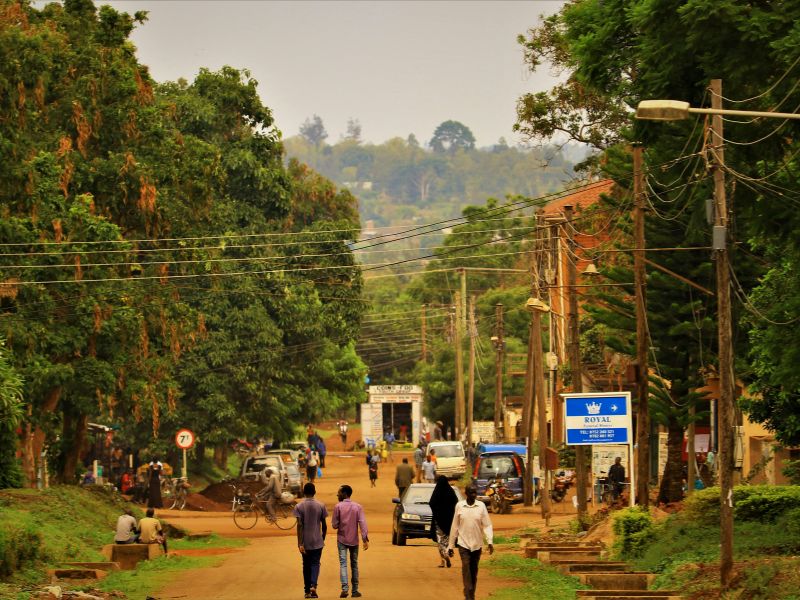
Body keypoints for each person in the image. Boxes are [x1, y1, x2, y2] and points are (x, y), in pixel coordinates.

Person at [447, 484, 494, 600]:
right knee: (466, 567)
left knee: (473, 571)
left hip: (477, 545)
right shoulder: (459, 506)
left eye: (475, 493)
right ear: (466, 494)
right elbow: (455, 526)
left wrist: (490, 542)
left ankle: (471, 593)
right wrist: (451, 546)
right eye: (471, 493)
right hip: (463, 544)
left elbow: (487, 525)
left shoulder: (481, 506)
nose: (474, 495)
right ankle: (468, 594)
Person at [332, 485, 368, 598]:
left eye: (339, 493)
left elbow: (334, 525)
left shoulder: (338, 507)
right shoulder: (358, 507)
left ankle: (345, 588)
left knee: (343, 564)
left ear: (344, 494)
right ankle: (355, 590)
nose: (337, 495)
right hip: (354, 540)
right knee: (354, 564)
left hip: (342, 539)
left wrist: (340, 523)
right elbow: (362, 523)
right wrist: (364, 538)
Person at [294, 482, 328, 599]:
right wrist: (322, 538)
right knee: (315, 563)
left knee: (306, 565)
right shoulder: (321, 505)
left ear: (304, 492)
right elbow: (324, 525)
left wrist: (300, 543)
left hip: (305, 542)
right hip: (317, 541)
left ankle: (307, 591)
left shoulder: (298, 506)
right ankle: (314, 584)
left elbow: (299, 525)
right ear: (315, 492)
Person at [429, 475, 457, 568]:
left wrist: (437, 512)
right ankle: (446, 555)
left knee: (440, 541)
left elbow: (431, 503)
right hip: (449, 521)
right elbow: (456, 503)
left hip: (439, 522)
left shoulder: (437, 491)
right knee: (447, 541)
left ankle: (443, 559)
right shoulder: (451, 491)